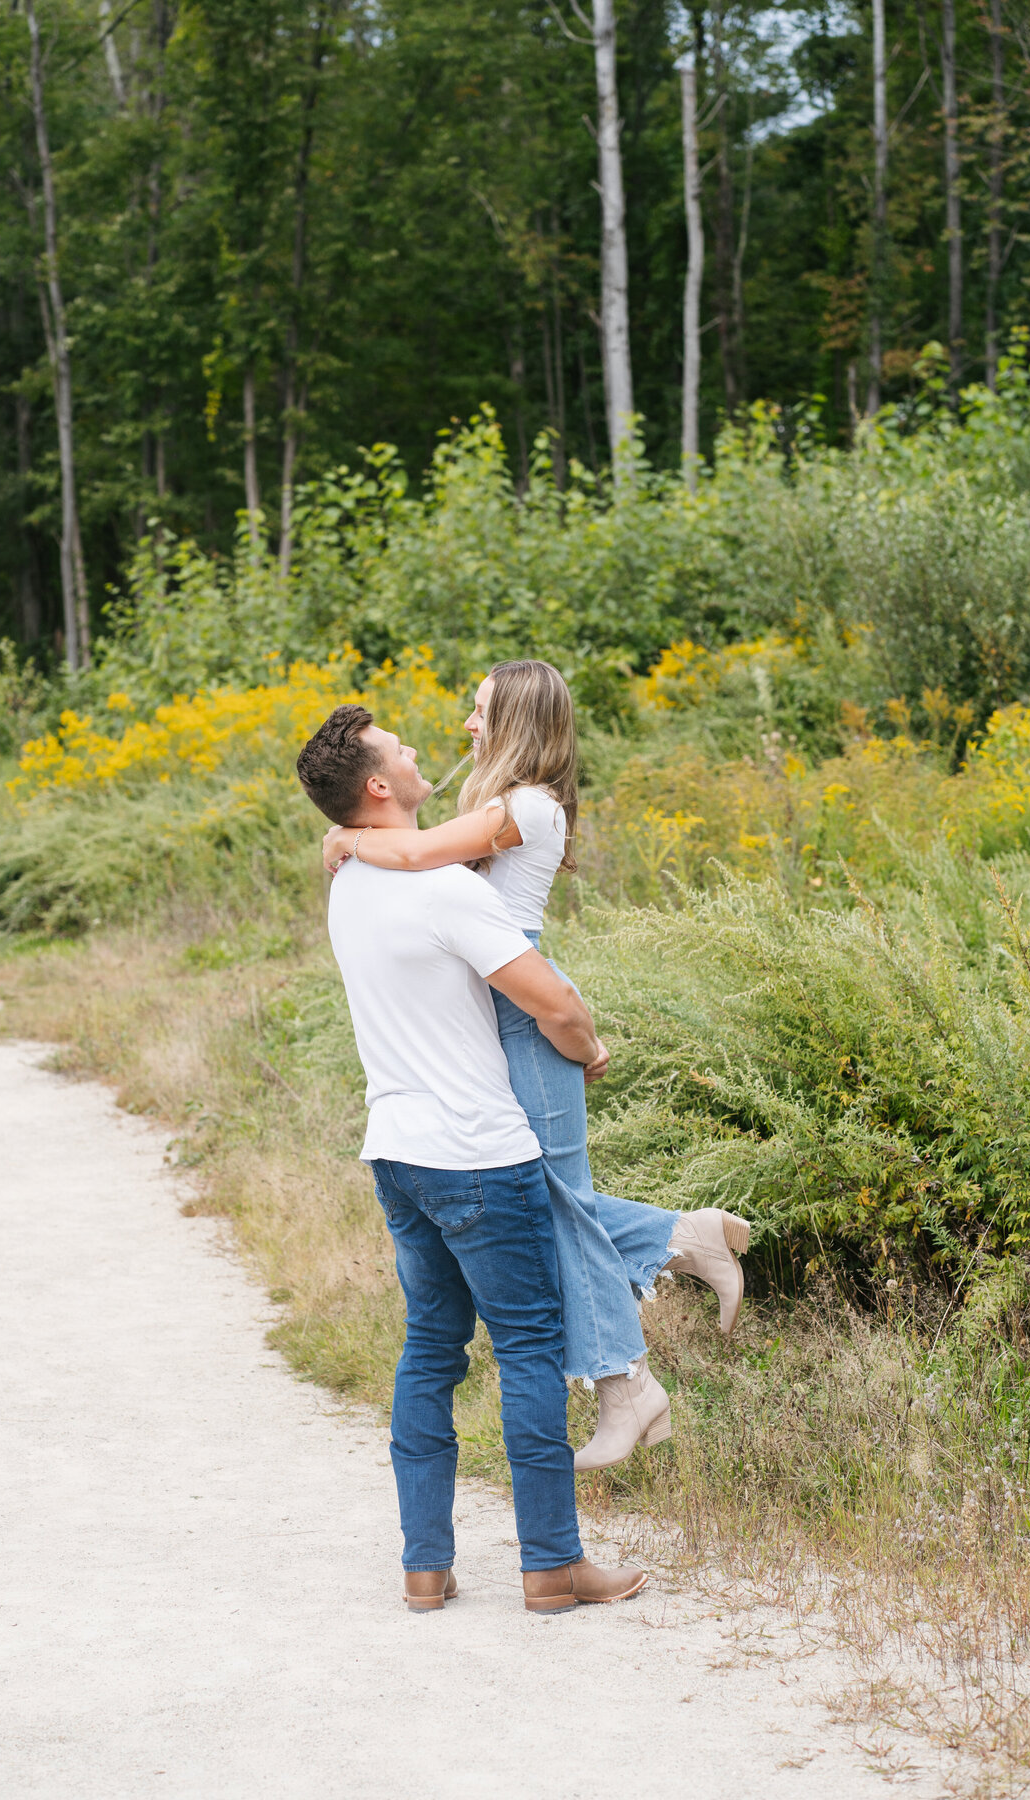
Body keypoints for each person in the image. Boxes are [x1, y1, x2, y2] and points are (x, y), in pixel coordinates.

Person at [321, 659, 750, 1472]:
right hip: (507, 1003)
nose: (468, 727)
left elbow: (413, 860)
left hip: (526, 1001)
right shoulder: (499, 803)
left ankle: (627, 1387)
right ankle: (682, 1238)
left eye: (480, 712)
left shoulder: (526, 806)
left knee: (552, 1202)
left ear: (517, 720)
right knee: (550, 1195)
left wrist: (349, 835)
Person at [296, 702, 647, 1614]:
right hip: (479, 1156)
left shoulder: (350, 884)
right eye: (401, 751)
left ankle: (425, 1565)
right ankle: (551, 1566)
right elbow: (554, 1005)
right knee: (528, 1352)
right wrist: (589, 1049)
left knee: (428, 1352)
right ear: (380, 786)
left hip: (398, 1155)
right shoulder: (448, 890)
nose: (421, 753)